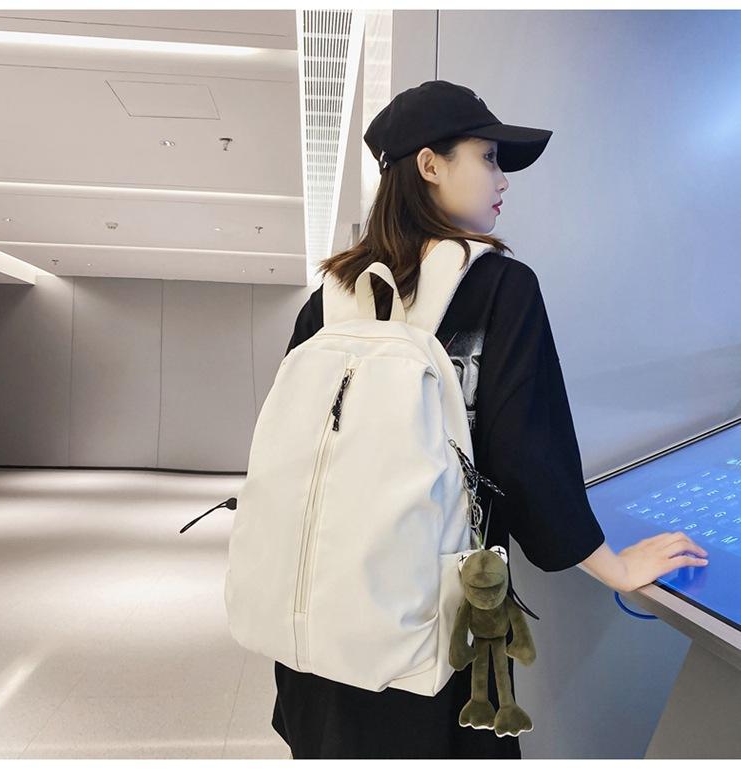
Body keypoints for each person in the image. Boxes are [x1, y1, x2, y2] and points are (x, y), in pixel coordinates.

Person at [271, 80, 709, 759]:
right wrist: (615, 566)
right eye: (489, 157)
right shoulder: (501, 286)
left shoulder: (329, 297)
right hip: (432, 632)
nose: (503, 179)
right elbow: (528, 458)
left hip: (317, 629)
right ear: (429, 164)